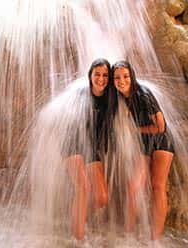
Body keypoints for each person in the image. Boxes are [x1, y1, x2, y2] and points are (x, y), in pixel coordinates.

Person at [111, 60, 174, 240]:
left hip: (162, 141)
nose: (121, 81)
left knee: (157, 186)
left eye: (125, 77)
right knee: (133, 187)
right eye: (117, 78)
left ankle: (155, 239)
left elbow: (161, 127)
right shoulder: (121, 96)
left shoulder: (144, 95)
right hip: (144, 142)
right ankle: (128, 235)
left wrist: (134, 130)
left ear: (132, 77)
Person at [64, 58, 116, 240]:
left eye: (104, 75)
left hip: (92, 147)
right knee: (83, 188)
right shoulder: (80, 94)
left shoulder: (111, 99)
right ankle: (77, 240)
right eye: (97, 74)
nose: (101, 79)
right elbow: (69, 123)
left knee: (101, 198)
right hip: (73, 143)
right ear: (90, 75)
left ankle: (76, 218)